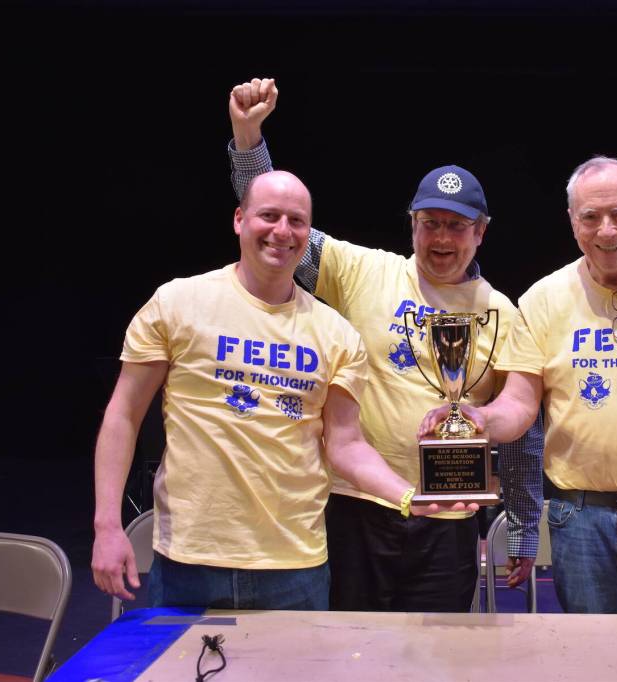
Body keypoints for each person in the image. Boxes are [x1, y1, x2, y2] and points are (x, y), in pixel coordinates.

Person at [226, 77, 543, 612]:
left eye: (457, 227)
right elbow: (278, 227)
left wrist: (484, 420)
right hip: (356, 506)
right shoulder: (362, 270)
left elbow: (522, 406)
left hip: (449, 516)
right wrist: (247, 140)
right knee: (350, 655)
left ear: (481, 233)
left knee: (437, 661)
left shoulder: (501, 310)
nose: (442, 239)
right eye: (430, 224)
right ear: (413, 226)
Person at [91, 171, 465, 609]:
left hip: (295, 566)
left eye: (296, 220)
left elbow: (345, 444)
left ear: (309, 232)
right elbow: (123, 414)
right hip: (189, 558)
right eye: (269, 216)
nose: (282, 232)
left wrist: (407, 496)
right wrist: (107, 526)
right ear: (239, 219)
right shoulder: (177, 303)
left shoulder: (336, 334)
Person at [422, 156, 617, 614]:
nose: (607, 231)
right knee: (595, 663)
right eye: (591, 217)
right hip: (580, 519)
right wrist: (476, 419)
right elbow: (519, 404)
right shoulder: (542, 299)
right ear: (573, 222)